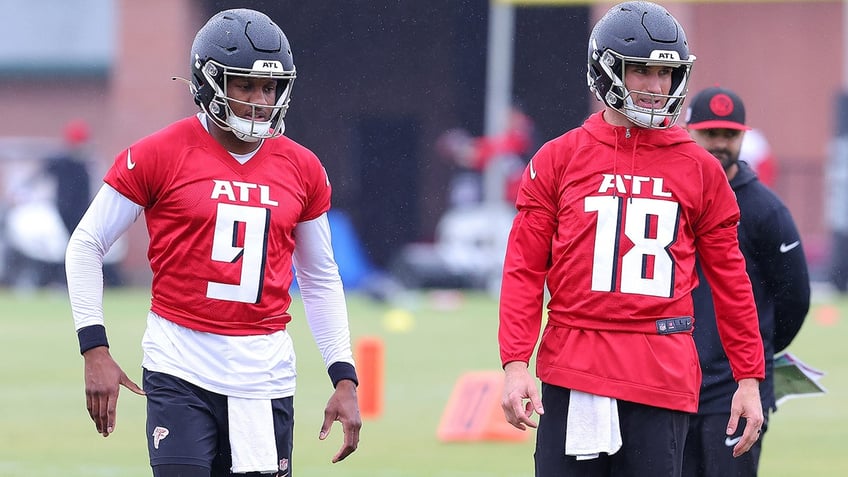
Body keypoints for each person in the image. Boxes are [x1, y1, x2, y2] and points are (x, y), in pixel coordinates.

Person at [66, 8, 361, 477]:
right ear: (209, 82)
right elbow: (86, 243)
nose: (261, 100)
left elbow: (320, 278)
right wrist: (94, 348)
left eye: (270, 87)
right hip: (179, 363)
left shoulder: (302, 167)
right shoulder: (159, 152)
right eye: (245, 85)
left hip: (264, 373)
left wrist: (344, 376)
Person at [497, 2, 765, 476]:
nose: (657, 86)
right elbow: (524, 270)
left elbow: (731, 281)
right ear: (606, 70)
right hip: (575, 367)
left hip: (659, 373)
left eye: (666, 73)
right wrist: (516, 362)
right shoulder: (559, 159)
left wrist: (748, 377)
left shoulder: (700, 169)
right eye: (642, 70)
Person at [682, 86, 811, 476]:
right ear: (688, 131)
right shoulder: (669, 196)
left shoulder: (765, 210)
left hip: (738, 386)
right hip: (672, 381)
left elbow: (795, 298)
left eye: (730, 135)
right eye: (710, 134)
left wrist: (756, 349)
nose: (721, 144)